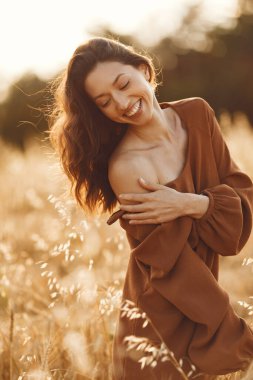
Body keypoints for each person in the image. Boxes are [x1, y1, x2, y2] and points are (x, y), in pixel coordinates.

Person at [48, 36, 253, 380]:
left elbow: (240, 195)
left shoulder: (198, 114)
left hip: (204, 299)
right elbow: (170, 267)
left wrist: (191, 204)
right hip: (158, 321)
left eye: (124, 84)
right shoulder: (127, 168)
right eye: (105, 101)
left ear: (145, 71)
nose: (122, 103)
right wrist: (231, 328)